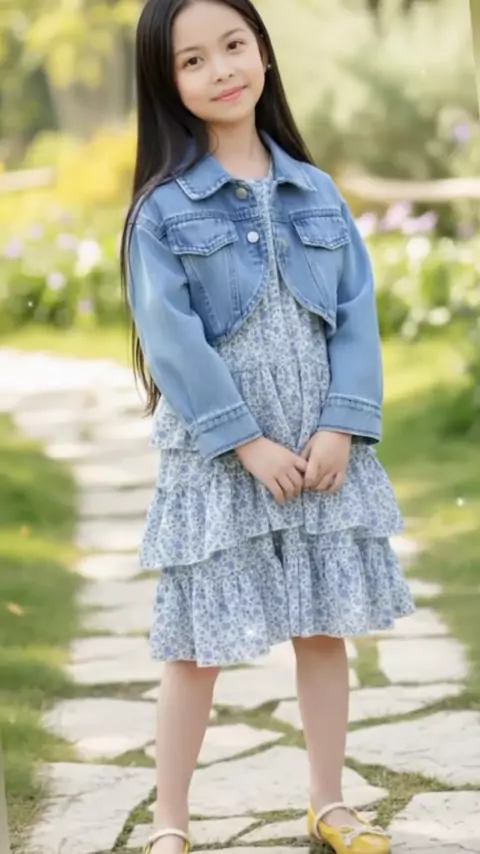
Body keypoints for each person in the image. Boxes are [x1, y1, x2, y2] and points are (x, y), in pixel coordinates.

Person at [121, 1, 415, 852]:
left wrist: (342, 426)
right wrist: (243, 441)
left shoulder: (315, 191)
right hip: (222, 457)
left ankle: (328, 801)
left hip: (318, 446)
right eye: (192, 60)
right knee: (195, 647)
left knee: (323, 629)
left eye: (234, 46)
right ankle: (171, 822)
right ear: (166, 82)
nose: (221, 70)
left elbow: (355, 317)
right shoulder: (163, 211)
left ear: (264, 53)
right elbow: (171, 338)